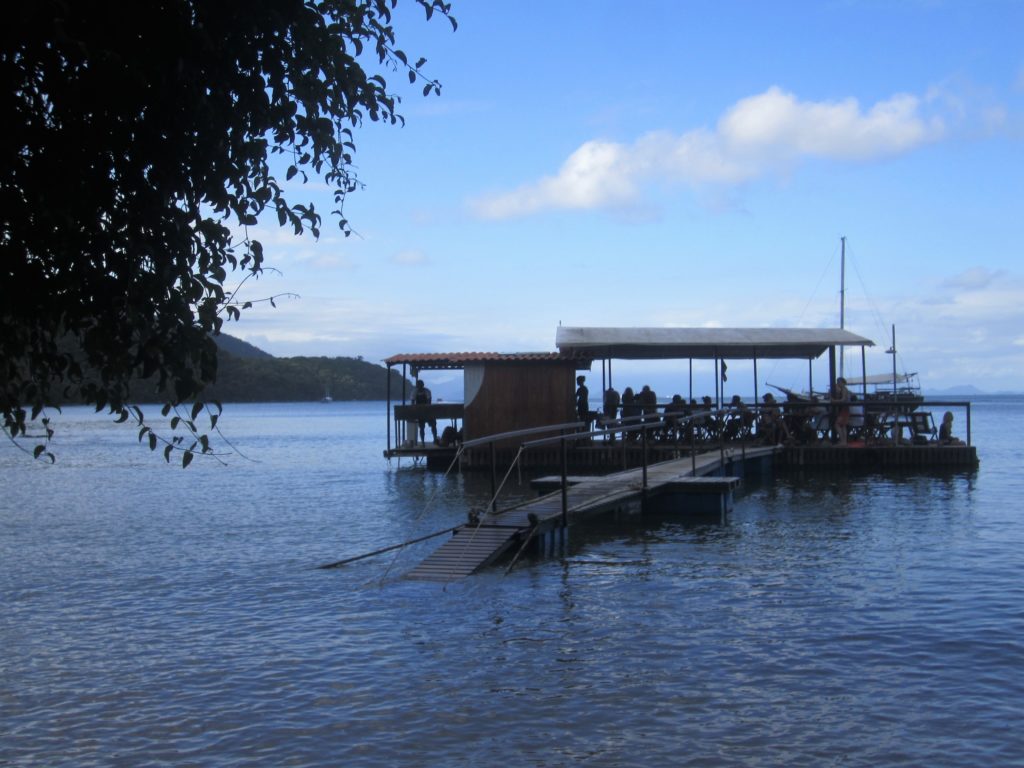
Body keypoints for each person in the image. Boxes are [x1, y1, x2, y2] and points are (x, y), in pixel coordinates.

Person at [413, 379, 437, 444]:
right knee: (421, 427)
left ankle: (435, 439)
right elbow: (412, 402)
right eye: (418, 385)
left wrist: (425, 408)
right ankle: (423, 442)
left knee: (433, 426)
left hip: (429, 411)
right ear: (417, 386)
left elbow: (429, 401)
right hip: (420, 412)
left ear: (423, 385)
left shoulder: (427, 391)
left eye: (420, 385)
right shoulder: (415, 392)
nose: (419, 386)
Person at [832, 377, 851, 445]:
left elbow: (843, 399)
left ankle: (842, 440)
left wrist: (834, 401)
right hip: (846, 408)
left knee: (837, 425)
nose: (837, 383)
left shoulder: (844, 389)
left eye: (838, 382)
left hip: (844, 408)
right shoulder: (845, 389)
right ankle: (844, 441)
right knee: (843, 425)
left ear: (842, 382)